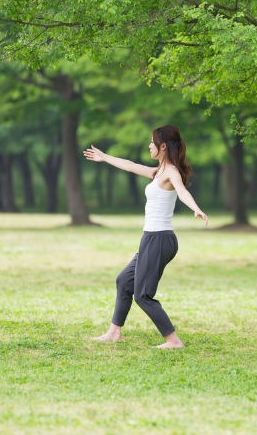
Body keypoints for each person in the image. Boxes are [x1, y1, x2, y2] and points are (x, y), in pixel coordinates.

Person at [83, 125, 208, 349]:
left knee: (143, 295)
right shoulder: (157, 171)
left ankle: (173, 341)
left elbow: (182, 191)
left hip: (159, 239)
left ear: (163, 146)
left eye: (152, 142)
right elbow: (130, 166)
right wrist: (104, 157)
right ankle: (114, 333)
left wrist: (195, 208)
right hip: (151, 238)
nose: (149, 145)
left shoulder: (171, 172)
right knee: (124, 280)